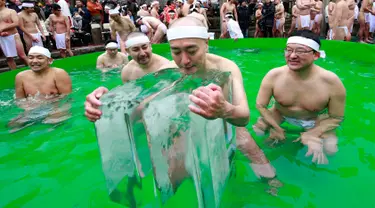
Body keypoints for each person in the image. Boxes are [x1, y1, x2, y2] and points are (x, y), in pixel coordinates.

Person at [85, 17, 276, 181]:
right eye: (176, 52)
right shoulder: (168, 71)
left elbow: (243, 116)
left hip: (230, 126)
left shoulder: (226, 67)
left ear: (206, 44)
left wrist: (224, 110)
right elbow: (139, 107)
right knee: (171, 180)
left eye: (192, 51)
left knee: (269, 178)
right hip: (188, 130)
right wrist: (104, 104)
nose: (184, 60)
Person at [253, 30, 346, 165]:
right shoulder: (274, 75)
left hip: (315, 119)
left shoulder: (331, 82)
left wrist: (313, 133)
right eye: (288, 50)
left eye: (301, 51)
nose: (292, 56)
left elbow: (337, 117)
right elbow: (260, 106)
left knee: (331, 150)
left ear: (316, 55)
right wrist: (276, 128)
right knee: (258, 130)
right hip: (281, 114)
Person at [0, 0, 28, 70]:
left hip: (13, 35)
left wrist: (3, 28)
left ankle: (32, 71)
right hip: (2, 37)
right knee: (9, 58)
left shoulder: (11, 11)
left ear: (3, 1)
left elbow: (16, 23)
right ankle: (14, 75)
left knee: (22, 55)